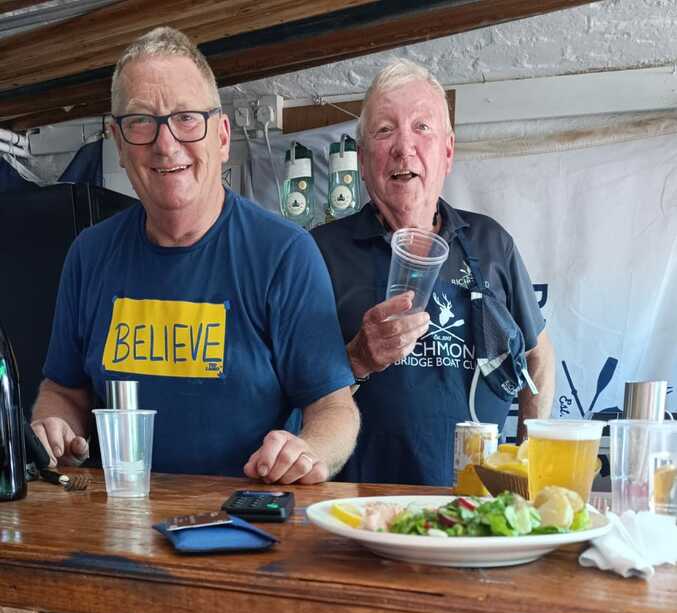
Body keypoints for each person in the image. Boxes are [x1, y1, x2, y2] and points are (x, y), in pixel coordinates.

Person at [32, 27, 358, 484]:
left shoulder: (285, 253)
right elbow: (64, 390)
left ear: (221, 136)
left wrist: (309, 451)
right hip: (118, 515)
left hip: (246, 516)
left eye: (186, 118)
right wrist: (54, 427)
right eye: (141, 121)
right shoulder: (89, 253)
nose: (166, 144)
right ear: (119, 143)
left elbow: (334, 408)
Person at [311, 60, 554, 486]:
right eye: (384, 130)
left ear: (448, 151)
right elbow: (294, 395)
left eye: (422, 127)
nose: (404, 147)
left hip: (474, 507)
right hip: (360, 506)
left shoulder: (491, 243)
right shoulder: (320, 252)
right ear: (362, 160)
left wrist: (527, 469)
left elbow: (539, 357)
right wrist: (358, 359)